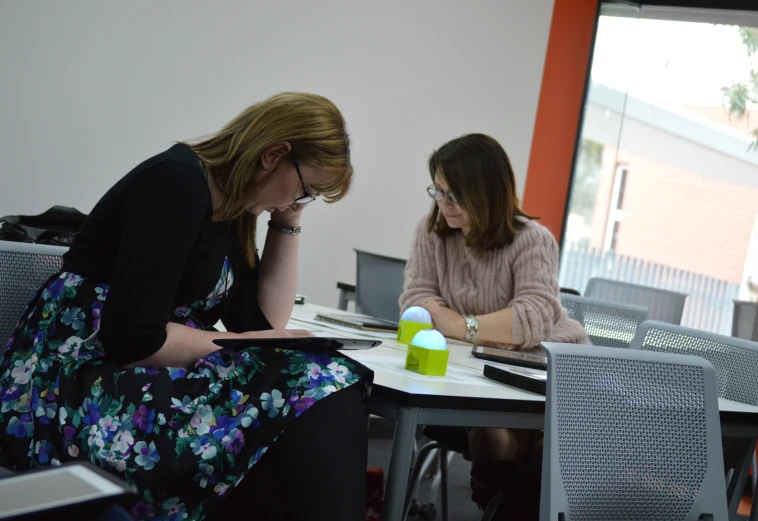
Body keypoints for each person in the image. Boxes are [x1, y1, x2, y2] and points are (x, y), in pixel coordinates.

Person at [0, 92, 371, 521]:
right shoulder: (177, 183)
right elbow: (134, 338)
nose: (295, 203)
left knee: (316, 380)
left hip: (140, 366)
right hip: (70, 380)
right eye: (305, 192)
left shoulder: (231, 202)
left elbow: (263, 321)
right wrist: (246, 342)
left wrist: (288, 221)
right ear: (274, 154)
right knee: (309, 382)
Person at [400, 133, 589, 520]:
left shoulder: (532, 240)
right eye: (438, 190)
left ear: (486, 192)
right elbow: (416, 297)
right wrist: (472, 327)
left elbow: (533, 316)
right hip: (483, 366)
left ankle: (511, 503)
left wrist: (459, 325)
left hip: (550, 370)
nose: (444, 203)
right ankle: (502, 503)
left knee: (506, 437)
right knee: (488, 431)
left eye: (455, 194)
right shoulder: (431, 230)